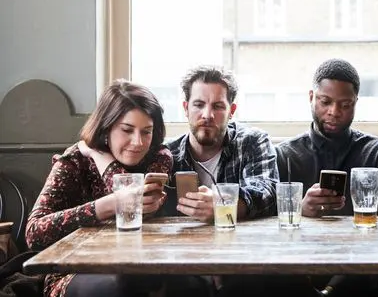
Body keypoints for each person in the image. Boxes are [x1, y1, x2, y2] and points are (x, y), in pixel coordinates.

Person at [25, 80, 175, 297]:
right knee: (119, 285)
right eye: (127, 130)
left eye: (147, 132)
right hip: (77, 269)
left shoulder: (159, 156)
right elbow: (34, 233)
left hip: (145, 263)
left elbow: (132, 196)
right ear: (106, 127)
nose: (138, 142)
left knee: (191, 283)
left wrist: (101, 158)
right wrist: (108, 205)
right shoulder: (74, 161)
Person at [275, 58, 378, 297]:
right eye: (325, 101)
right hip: (301, 268)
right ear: (311, 97)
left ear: (356, 102)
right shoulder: (285, 155)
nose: (334, 112)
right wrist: (301, 209)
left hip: (367, 270)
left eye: (345, 105)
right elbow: (271, 229)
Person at [162, 65, 278, 222]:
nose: (207, 115)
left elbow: (267, 193)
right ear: (186, 108)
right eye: (198, 105)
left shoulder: (252, 142)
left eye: (218, 106)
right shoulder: (168, 154)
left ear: (231, 111)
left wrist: (223, 205)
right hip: (182, 243)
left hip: (239, 243)